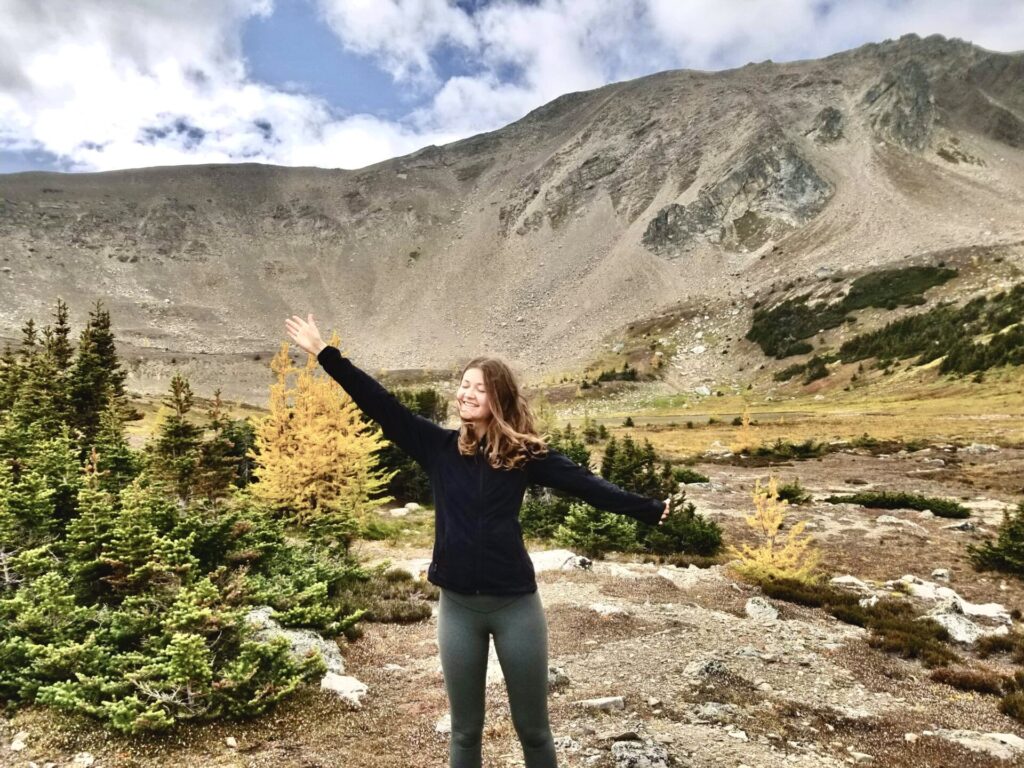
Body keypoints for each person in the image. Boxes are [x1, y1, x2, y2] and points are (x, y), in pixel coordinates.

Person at [284, 313, 671, 768]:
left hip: (516, 608)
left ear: (499, 399)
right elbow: (381, 404)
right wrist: (325, 354)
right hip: (458, 609)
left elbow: (587, 485)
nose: (466, 393)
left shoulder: (526, 455)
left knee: (534, 730)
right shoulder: (437, 448)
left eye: (479, 387)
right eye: (464, 385)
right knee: (465, 732)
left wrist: (647, 509)